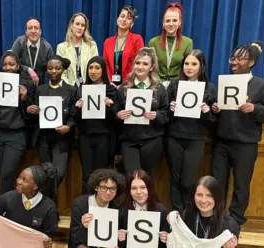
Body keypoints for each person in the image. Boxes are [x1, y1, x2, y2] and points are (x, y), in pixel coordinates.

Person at [211, 41, 264, 225]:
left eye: (239, 59)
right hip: (221, 143)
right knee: (217, 184)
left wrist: (255, 108)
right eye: (232, 58)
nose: (234, 62)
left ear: (251, 62)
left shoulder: (262, 86)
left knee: (241, 187)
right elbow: (212, 113)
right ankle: (215, 220)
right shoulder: (223, 83)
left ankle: (234, 224)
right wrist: (215, 109)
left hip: (246, 145)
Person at [166, 49, 217, 212]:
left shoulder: (210, 88)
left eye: (194, 64)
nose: (189, 67)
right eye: (186, 64)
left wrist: (206, 111)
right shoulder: (174, 85)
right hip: (174, 136)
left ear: (201, 66)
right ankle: (177, 214)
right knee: (174, 179)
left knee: (188, 181)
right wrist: (171, 109)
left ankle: (188, 212)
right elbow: (164, 115)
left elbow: (215, 120)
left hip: (196, 138)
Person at [0, 50, 35, 195]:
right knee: (2, 174)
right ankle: (11, 206)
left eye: (11, 64)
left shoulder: (27, 84)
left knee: (7, 173)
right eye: (5, 64)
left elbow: (33, 115)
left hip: (16, 134)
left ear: (18, 66)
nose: (8, 68)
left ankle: (0, 211)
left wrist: (25, 99)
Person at [26, 55, 77, 198]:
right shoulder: (39, 89)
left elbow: (75, 114)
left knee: (58, 174)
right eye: (50, 68)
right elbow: (34, 115)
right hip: (43, 138)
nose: (53, 71)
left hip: (61, 138)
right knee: (46, 174)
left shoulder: (71, 90)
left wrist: (69, 126)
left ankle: (46, 205)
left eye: (57, 68)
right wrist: (31, 111)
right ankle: (50, 210)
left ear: (63, 70)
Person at [116, 48, 169, 177]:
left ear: (151, 68)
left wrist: (156, 115)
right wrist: (118, 115)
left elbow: (166, 114)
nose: (140, 67)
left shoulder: (159, 88)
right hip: (129, 139)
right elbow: (114, 112)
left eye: (145, 64)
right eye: (138, 63)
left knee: (146, 179)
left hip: (151, 140)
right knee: (132, 178)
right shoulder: (123, 88)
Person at [0, 162, 59, 248]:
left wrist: (48, 242)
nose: (18, 181)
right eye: (19, 177)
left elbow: (48, 235)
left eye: (24, 180)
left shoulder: (49, 207)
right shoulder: (9, 197)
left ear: (35, 186)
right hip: (6, 247)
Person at [176, 176, 241, 248]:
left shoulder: (230, 225)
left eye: (209, 195)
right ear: (193, 196)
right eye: (199, 195)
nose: (203, 200)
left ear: (217, 197)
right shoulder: (186, 216)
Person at [74, 56, 118, 194]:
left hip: (103, 137)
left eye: (97, 68)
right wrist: (77, 108)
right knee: (87, 175)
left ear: (103, 70)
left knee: (101, 175)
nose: (93, 71)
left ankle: (102, 208)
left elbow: (117, 117)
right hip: (85, 137)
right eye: (91, 68)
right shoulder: (81, 89)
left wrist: (110, 106)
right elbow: (75, 118)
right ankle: (86, 206)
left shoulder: (111, 90)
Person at [66, 169, 124, 248]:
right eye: (104, 188)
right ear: (96, 187)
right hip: (84, 244)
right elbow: (74, 237)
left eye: (112, 188)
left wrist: (117, 241)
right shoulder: (80, 204)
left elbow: (117, 240)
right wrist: (83, 226)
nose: (108, 192)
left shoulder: (116, 209)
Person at [117, 169, 169, 248]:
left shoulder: (161, 210)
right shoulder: (121, 211)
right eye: (134, 188)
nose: (139, 192)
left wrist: (165, 240)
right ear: (129, 191)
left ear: (149, 188)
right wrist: (118, 238)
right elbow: (116, 246)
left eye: (143, 187)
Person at [148, 2, 193, 87]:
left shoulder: (188, 42)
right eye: (167, 21)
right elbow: (151, 68)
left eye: (175, 20)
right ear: (163, 23)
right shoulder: (153, 42)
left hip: (178, 86)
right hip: (157, 85)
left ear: (180, 23)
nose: (171, 24)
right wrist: (159, 84)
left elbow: (187, 69)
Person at [103, 5, 144, 86]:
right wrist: (110, 82)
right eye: (122, 16)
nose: (124, 20)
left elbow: (140, 64)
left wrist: (127, 83)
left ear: (132, 24)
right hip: (111, 86)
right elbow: (106, 66)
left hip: (130, 85)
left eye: (128, 18)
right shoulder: (107, 42)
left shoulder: (137, 39)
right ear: (117, 19)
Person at [56, 13, 99, 87]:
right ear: (71, 26)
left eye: (83, 25)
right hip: (68, 88)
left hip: (88, 87)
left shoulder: (92, 45)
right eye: (77, 24)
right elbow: (61, 73)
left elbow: (95, 69)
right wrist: (69, 89)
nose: (80, 27)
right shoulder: (61, 47)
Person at [11, 17, 55, 85]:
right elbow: (11, 62)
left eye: (36, 28)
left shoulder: (47, 47)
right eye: (30, 28)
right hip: (20, 84)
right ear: (26, 32)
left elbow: (53, 69)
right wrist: (28, 69)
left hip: (39, 85)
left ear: (40, 32)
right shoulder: (19, 42)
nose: (33, 31)